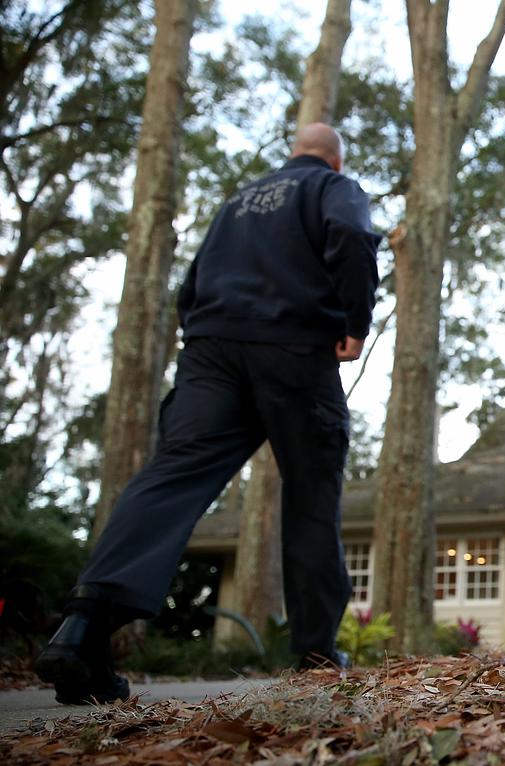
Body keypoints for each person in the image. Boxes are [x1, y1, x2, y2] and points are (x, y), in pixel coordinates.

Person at [35, 123, 381, 704]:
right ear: (335, 161)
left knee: (173, 476)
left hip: (212, 352)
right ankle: (317, 653)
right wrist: (354, 320)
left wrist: (202, 335)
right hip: (294, 349)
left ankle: (82, 629)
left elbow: (190, 285)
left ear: (291, 153)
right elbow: (348, 231)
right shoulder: (330, 188)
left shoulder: (238, 203)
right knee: (311, 493)